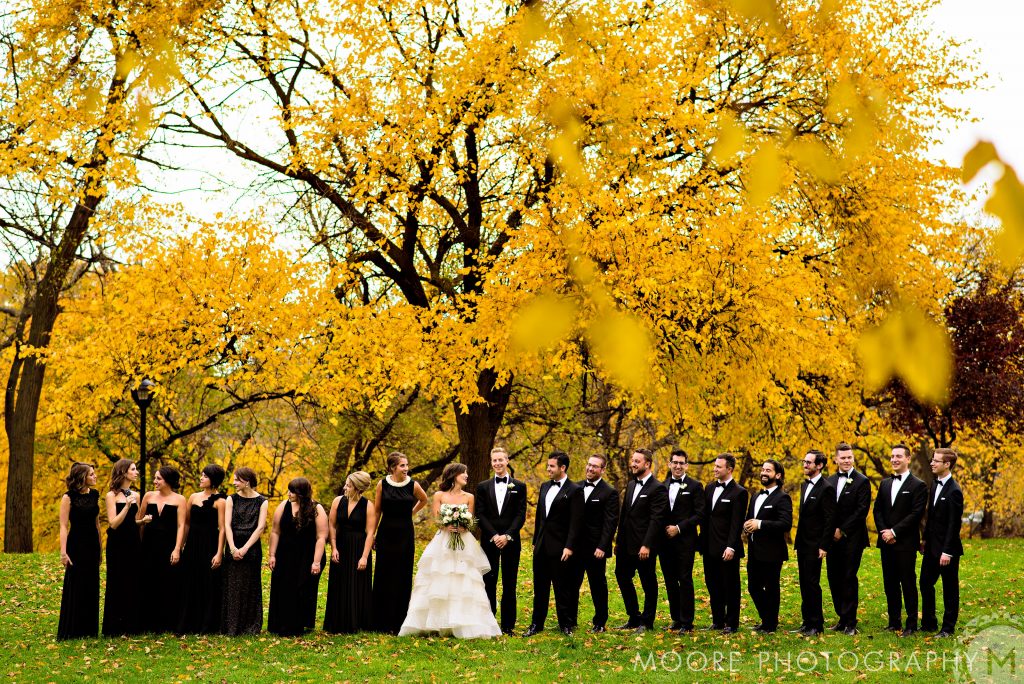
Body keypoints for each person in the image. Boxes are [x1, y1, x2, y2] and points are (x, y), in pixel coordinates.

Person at [399, 463, 501, 638]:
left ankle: (464, 623)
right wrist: (447, 525)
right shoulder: (439, 495)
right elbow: (436, 520)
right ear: (454, 475)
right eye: (464, 473)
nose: (467, 476)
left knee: (464, 579)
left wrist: (463, 527)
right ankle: (435, 623)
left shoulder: (470, 497)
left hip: (463, 543)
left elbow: (471, 521)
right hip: (443, 542)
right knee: (440, 577)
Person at [525, 451, 584, 636]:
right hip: (542, 546)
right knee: (540, 587)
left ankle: (565, 624)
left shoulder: (575, 490)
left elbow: (577, 522)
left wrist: (570, 546)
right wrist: (535, 541)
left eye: (551, 466)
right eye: (548, 465)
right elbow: (540, 517)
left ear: (562, 468)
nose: (548, 469)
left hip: (561, 548)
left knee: (562, 588)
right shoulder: (544, 487)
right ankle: (536, 624)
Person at [873, 443, 928, 637]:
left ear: (908, 459)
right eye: (892, 456)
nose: (894, 459)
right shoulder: (885, 483)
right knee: (890, 583)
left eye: (898, 456)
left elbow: (915, 514)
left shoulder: (918, 485)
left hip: (905, 542)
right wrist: (884, 532)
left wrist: (894, 532)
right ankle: (893, 621)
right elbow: (877, 510)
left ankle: (911, 624)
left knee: (907, 582)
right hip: (885, 542)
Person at [372, 451, 429, 634]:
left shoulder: (413, 484)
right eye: (402, 465)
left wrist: (411, 513)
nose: (406, 468)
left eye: (406, 465)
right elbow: (377, 510)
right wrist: (372, 534)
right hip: (386, 532)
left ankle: (400, 620)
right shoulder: (382, 484)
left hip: (405, 533)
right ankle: (380, 620)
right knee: (384, 573)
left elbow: (424, 499)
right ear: (392, 467)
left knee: (402, 574)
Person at [615, 448, 669, 634]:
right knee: (621, 576)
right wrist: (618, 542)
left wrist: (646, 545)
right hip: (625, 545)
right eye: (632, 460)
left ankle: (647, 621)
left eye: (637, 461)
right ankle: (633, 616)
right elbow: (625, 516)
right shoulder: (631, 485)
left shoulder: (658, 488)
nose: (633, 464)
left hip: (644, 546)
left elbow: (656, 520)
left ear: (647, 464)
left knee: (648, 582)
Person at [475, 446, 527, 634]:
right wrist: (494, 536)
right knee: (489, 581)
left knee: (509, 583)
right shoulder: (482, 486)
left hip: (511, 542)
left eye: (501, 460)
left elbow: (521, 514)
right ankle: (489, 623)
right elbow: (480, 514)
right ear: (491, 462)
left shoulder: (519, 486)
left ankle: (508, 625)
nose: (497, 463)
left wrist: (507, 535)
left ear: (507, 461)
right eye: (494, 460)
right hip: (490, 542)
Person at [268, 477, 328, 636]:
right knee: (283, 587)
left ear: (301, 493)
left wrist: (316, 562)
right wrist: (272, 554)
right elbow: (275, 531)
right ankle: (279, 623)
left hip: (307, 555)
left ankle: (298, 624)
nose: (288, 494)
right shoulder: (283, 505)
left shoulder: (316, 508)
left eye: (292, 491)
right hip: (285, 554)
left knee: (301, 589)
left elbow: (321, 537)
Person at [700, 453, 748, 634]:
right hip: (709, 546)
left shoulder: (740, 492)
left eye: (719, 466)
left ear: (729, 469)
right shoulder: (710, 488)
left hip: (728, 548)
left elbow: (737, 523)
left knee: (731, 586)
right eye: (715, 466)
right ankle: (718, 620)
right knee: (713, 585)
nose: (715, 469)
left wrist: (731, 546)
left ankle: (732, 623)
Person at [743, 459, 792, 633]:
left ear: (777, 475)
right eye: (763, 469)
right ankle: (767, 619)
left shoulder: (783, 497)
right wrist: (747, 525)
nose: (763, 473)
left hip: (773, 551)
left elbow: (785, 524)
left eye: (768, 470)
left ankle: (770, 624)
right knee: (753, 587)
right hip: (755, 550)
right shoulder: (756, 495)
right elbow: (751, 518)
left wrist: (760, 524)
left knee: (771, 588)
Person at [825, 442, 870, 635]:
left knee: (848, 577)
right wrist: (829, 532)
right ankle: (841, 617)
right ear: (836, 459)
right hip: (831, 539)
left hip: (853, 537)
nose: (846, 461)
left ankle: (851, 622)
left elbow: (862, 511)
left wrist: (842, 530)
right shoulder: (829, 480)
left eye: (849, 457)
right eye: (842, 458)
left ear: (853, 458)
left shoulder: (862, 481)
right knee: (833, 577)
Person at [177, 464, 227, 634]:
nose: (201, 478)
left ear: (213, 479)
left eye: (204, 476)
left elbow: (223, 529)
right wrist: (181, 546)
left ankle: (207, 626)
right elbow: (187, 524)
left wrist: (219, 552)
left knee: (208, 583)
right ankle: (188, 623)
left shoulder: (221, 501)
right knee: (190, 582)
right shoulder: (192, 497)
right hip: (192, 545)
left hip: (210, 545)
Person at [324, 471, 375, 633]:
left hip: (359, 547)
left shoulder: (368, 506)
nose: (345, 487)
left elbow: (370, 533)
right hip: (341, 544)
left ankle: (356, 622)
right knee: (339, 582)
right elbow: (331, 525)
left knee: (356, 584)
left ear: (358, 487)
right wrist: (334, 547)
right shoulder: (338, 501)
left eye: (349, 485)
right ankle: (336, 622)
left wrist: (364, 557)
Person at [920, 448, 964, 637]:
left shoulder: (954, 491)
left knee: (949, 588)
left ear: (947, 464)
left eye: (936, 461)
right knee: (924, 583)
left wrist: (947, 551)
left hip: (947, 550)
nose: (932, 463)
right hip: (931, 546)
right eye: (932, 460)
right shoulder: (934, 485)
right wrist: (924, 539)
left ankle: (948, 628)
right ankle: (929, 623)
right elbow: (932, 517)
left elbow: (954, 525)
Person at [659, 449, 704, 633]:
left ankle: (687, 621)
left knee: (684, 579)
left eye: (681, 463)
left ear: (686, 465)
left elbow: (700, 514)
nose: (678, 466)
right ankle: (676, 618)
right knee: (669, 580)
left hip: (685, 540)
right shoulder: (662, 485)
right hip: (664, 542)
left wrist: (678, 528)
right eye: (675, 462)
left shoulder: (695, 486)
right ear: (669, 464)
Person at [138, 465, 187, 633]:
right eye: (155, 478)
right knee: (148, 581)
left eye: (158, 478)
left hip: (168, 545)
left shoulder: (180, 499)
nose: (155, 481)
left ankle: (168, 623)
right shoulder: (148, 496)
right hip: (149, 545)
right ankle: (148, 623)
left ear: (168, 480)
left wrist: (177, 548)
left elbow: (181, 525)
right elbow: (139, 522)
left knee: (169, 583)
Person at [792, 449, 836, 636]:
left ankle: (817, 625)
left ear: (819, 466)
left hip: (816, 544)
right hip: (803, 543)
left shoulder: (826, 488)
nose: (805, 465)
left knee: (812, 583)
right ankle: (806, 621)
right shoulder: (804, 485)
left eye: (809, 462)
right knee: (803, 583)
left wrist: (824, 545)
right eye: (804, 461)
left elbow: (830, 519)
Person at [221, 467, 269, 636]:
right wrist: (233, 547)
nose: (234, 483)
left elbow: (261, 527)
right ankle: (231, 626)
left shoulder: (262, 501)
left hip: (252, 546)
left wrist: (245, 548)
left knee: (250, 585)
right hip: (233, 544)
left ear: (247, 481)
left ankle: (250, 626)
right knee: (233, 586)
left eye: (237, 480)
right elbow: (226, 525)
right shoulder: (231, 499)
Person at [57, 462, 101, 640]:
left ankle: (89, 630)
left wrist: (100, 548)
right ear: (82, 477)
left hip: (92, 544)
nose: (95, 476)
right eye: (91, 474)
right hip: (76, 544)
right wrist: (63, 551)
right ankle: (72, 629)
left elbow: (97, 524)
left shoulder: (95, 495)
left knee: (91, 584)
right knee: (76, 583)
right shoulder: (68, 498)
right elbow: (63, 525)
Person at [577, 454, 619, 633]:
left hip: (596, 549)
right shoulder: (576, 487)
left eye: (595, 466)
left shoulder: (609, 492)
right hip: (575, 547)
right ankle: (569, 621)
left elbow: (610, 523)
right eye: (588, 465)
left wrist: (602, 546)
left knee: (597, 585)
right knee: (572, 584)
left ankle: (600, 622)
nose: (590, 469)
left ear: (602, 470)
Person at [102, 458, 142, 636]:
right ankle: (114, 626)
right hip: (117, 544)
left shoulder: (136, 495)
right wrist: (126, 506)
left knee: (132, 580)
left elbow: (134, 522)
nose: (136, 472)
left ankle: (131, 624)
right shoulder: (111, 495)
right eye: (133, 469)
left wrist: (143, 521)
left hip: (133, 542)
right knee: (116, 579)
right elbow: (113, 524)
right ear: (124, 472)